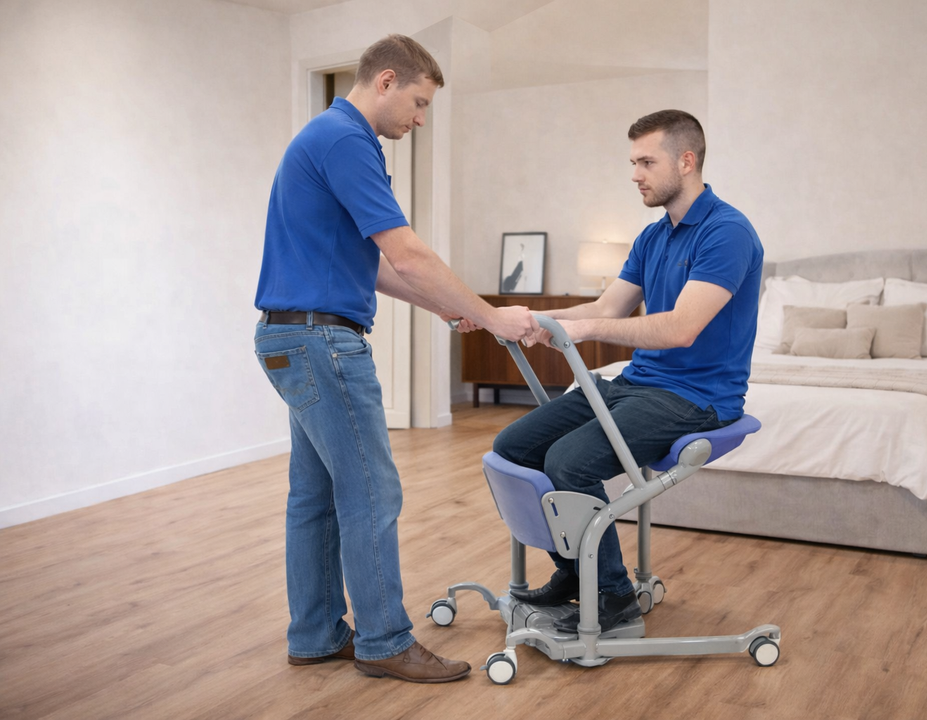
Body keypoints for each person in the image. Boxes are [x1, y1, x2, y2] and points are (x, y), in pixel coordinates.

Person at [253, 34, 537, 683]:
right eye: (418, 102)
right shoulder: (349, 139)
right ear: (385, 81)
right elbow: (407, 253)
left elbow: (374, 265)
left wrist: (445, 307)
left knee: (316, 495)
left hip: (287, 338)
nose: (419, 118)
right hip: (323, 342)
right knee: (372, 491)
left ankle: (317, 634)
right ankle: (383, 641)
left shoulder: (324, 137)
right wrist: (493, 319)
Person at [492, 109, 763, 634]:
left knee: (568, 461)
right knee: (514, 445)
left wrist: (586, 329)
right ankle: (576, 573)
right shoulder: (653, 236)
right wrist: (528, 320)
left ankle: (613, 598)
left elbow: (682, 328)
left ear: (686, 161)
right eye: (632, 162)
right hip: (639, 384)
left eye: (645, 161)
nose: (634, 174)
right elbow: (610, 306)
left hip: (697, 396)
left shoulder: (727, 233)